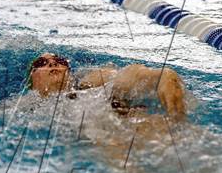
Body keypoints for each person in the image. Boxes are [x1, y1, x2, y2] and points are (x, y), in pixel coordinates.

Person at [27, 52, 186, 121]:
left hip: (130, 120)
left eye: (60, 60)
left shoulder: (87, 83)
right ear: (31, 79)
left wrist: (160, 77)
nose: (53, 63)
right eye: (41, 63)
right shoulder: (24, 106)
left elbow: (129, 76)